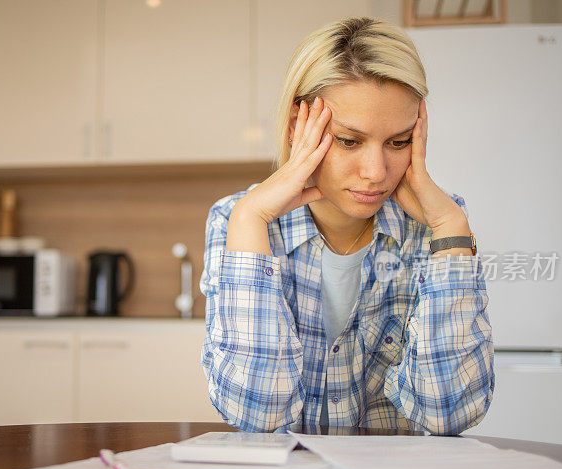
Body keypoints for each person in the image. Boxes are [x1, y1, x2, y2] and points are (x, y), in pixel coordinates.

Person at [199, 17, 495, 435]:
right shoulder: (238, 219)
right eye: (349, 141)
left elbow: (449, 414)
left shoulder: (438, 225)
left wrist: (449, 225)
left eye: (399, 142)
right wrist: (251, 220)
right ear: (295, 128)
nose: (376, 172)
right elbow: (257, 415)